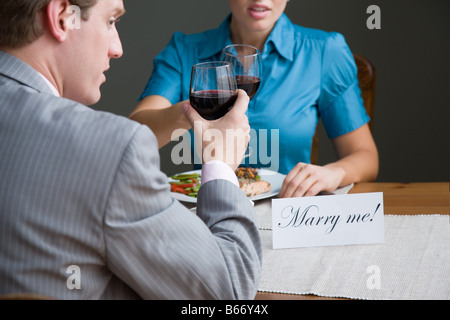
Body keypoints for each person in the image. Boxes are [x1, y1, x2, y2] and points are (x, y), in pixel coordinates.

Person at [0, 0, 262, 300]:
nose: (118, 48)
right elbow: (228, 291)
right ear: (62, 17)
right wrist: (221, 164)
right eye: (111, 21)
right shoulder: (109, 147)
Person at [130, 0, 379, 198]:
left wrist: (333, 173)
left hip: (289, 214)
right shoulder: (183, 51)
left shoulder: (325, 51)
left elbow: (366, 156)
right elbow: (134, 136)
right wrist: (191, 112)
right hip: (209, 213)